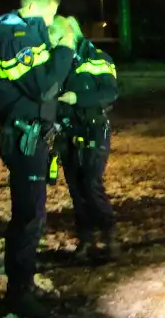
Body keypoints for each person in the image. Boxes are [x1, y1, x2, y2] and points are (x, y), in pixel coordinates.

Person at [0, 0, 76, 318]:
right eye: (51, 14)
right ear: (38, 6)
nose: (52, 22)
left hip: (28, 132)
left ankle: (23, 283)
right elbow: (44, 86)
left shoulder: (18, 33)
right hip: (23, 135)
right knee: (28, 216)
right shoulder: (16, 38)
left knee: (33, 214)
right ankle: (18, 292)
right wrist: (64, 47)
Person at [50, 16, 119, 262]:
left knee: (91, 183)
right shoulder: (56, 59)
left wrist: (77, 98)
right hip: (67, 132)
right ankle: (85, 240)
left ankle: (109, 236)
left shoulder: (98, 58)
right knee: (76, 190)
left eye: (55, 37)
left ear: (70, 34)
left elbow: (111, 92)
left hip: (93, 130)